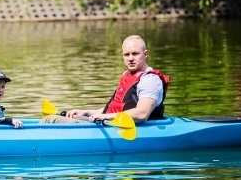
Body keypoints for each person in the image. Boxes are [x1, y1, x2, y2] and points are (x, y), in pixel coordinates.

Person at [41, 35, 170, 124]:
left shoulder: (150, 80)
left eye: (135, 54)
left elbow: (142, 114)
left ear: (145, 54)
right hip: (111, 123)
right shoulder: (127, 75)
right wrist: (86, 112)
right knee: (55, 117)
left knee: (50, 120)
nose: (130, 58)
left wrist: (104, 117)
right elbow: (116, 109)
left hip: (128, 128)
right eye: (126, 54)